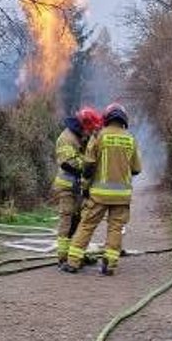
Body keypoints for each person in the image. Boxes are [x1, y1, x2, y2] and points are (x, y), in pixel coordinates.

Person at [62, 102, 141, 276]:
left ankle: (73, 262)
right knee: (115, 228)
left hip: (99, 195)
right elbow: (136, 169)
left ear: (106, 118)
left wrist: (86, 185)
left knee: (87, 225)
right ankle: (109, 265)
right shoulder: (130, 139)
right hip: (122, 196)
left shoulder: (99, 136)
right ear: (124, 120)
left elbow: (89, 165)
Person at [52, 107, 103, 265]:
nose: (91, 132)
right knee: (67, 222)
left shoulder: (80, 136)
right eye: (90, 128)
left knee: (79, 222)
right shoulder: (66, 138)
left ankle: (76, 253)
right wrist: (89, 165)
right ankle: (63, 258)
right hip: (67, 187)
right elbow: (68, 163)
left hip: (77, 188)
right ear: (84, 124)